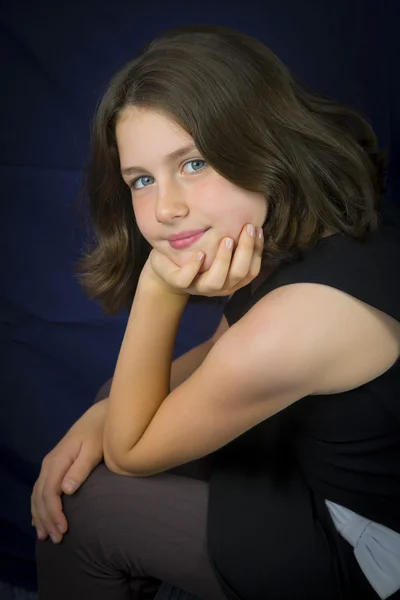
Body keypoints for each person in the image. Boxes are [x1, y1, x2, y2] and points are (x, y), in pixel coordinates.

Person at [31, 24, 400, 600]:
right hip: (318, 469)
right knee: (115, 397)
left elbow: (131, 454)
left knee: (91, 510)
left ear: (262, 142)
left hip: (370, 553)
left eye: (195, 163)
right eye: (143, 179)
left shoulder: (305, 319)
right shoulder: (315, 221)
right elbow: (220, 355)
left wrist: (159, 288)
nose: (167, 207)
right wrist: (96, 418)